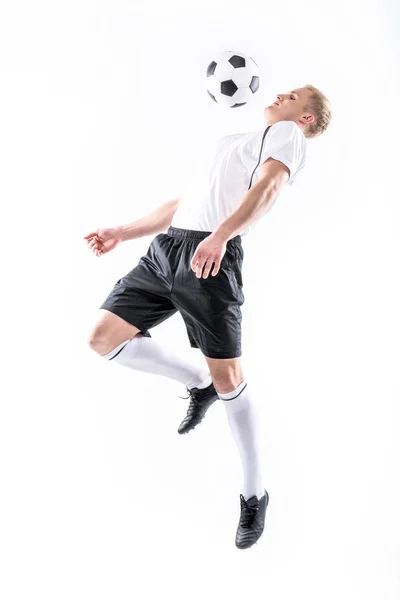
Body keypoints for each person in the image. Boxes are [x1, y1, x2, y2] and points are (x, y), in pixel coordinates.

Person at [84, 84, 332, 550]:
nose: (282, 94)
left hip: (211, 258)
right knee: (103, 337)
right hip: (168, 250)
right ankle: (195, 382)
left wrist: (220, 236)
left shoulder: (288, 137)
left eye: (295, 96)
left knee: (230, 379)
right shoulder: (233, 142)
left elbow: (270, 187)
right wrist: (123, 230)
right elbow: (184, 203)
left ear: (308, 119)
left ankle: (254, 493)